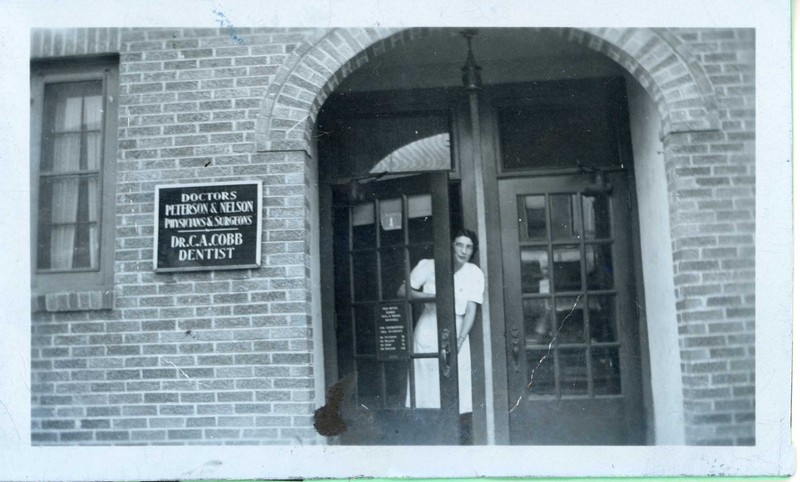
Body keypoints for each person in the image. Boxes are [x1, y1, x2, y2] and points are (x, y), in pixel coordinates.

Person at [397, 229, 485, 444]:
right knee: (426, 383)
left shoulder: (474, 272)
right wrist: (435, 297)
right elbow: (403, 291)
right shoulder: (428, 265)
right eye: (459, 245)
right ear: (451, 245)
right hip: (428, 327)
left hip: (457, 329)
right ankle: (427, 437)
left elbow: (471, 310)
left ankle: (455, 437)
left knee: (459, 384)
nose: (463, 251)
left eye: (468, 247)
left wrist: (461, 339)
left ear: (472, 251)